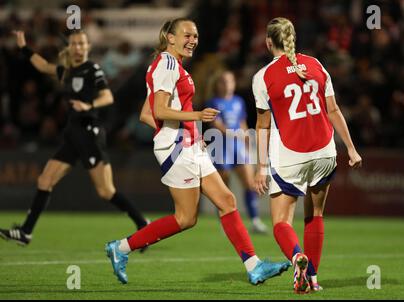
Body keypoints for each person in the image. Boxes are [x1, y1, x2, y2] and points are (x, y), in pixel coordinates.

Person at [105, 18, 290, 285]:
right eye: (187, 35)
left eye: (196, 36)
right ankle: (121, 248)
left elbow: (146, 114)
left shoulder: (169, 65)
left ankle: (254, 266)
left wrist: (190, 132)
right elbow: (157, 111)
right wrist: (195, 118)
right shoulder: (167, 64)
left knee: (227, 201)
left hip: (187, 143)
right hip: (177, 148)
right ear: (170, 37)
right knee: (185, 218)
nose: (193, 40)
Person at [0, 30, 149, 246]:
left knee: (106, 191)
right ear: (70, 47)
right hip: (73, 135)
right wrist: (24, 47)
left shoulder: (92, 70)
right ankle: (25, 232)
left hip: (89, 133)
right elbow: (43, 66)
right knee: (45, 180)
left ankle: (142, 223)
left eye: (82, 43)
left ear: (88, 46)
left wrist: (89, 105)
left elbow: (107, 96)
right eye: (74, 44)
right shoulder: (68, 72)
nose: (78, 47)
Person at [252, 17, 362, 294]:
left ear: (268, 42)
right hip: (325, 150)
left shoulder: (263, 77)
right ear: (293, 38)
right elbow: (333, 110)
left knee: (280, 222)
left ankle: (296, 257)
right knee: (315, 216)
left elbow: (263, 125)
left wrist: (261, 166)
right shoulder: (316, 65)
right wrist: (350, 147)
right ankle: (312, 278)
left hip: (291, 153)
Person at [206, 70, 268, 234]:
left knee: (250, 185)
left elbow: (242, 123)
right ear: (217, 85)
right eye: (223, 82)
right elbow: (216, 125)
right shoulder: (213, 102)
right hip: (221, 147)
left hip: (238, 146)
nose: (227, 85)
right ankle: (224, 223)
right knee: (223, 188)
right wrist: (236, 134)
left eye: (229, 81)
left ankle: (255, 221)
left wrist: (246, 138)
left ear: (234, 84)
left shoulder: (238, 101)